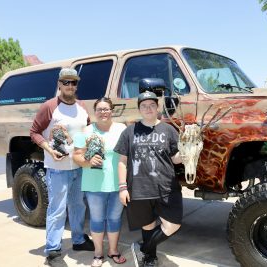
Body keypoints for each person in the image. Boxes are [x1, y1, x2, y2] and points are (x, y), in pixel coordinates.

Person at [30, 68, 94, 266]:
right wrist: (49, 150)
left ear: (77, 85)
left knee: (77, 205)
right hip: (57, 168)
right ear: (59, 84)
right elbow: (34, 132)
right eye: (66, 82)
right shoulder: (50, 106)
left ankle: (78, 239)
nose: (70, 86)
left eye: (73, 82)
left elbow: (88, 130)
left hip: (78, 166)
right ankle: (52, 250)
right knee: (57, 209)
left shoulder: (82, 107)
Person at [114, 91, 183, 267]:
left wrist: (187, 152)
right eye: (144, 105)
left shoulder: (168, 129)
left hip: (166, 186)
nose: (148, 108)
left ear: (157, 107)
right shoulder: (129, 132)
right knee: (147, 225)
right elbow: (122, 162)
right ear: (139, 109)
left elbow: (175, 158)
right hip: (139, 187)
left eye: (152, 105)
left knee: (173, 224)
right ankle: (150, 258)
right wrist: (122, 187)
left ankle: (143, 247)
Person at [73, 98, 127, 267]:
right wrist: (88, 162)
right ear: (94, 112)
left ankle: (113, 250)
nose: (103, 112)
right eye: (100, 109)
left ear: (112, 111)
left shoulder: (122, 129)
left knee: (114, 219)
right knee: (97, 220)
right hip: (94, 183)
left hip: (118, 183)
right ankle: (98, 254)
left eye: (106, 109)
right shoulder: (86, 131)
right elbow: (76, 156)